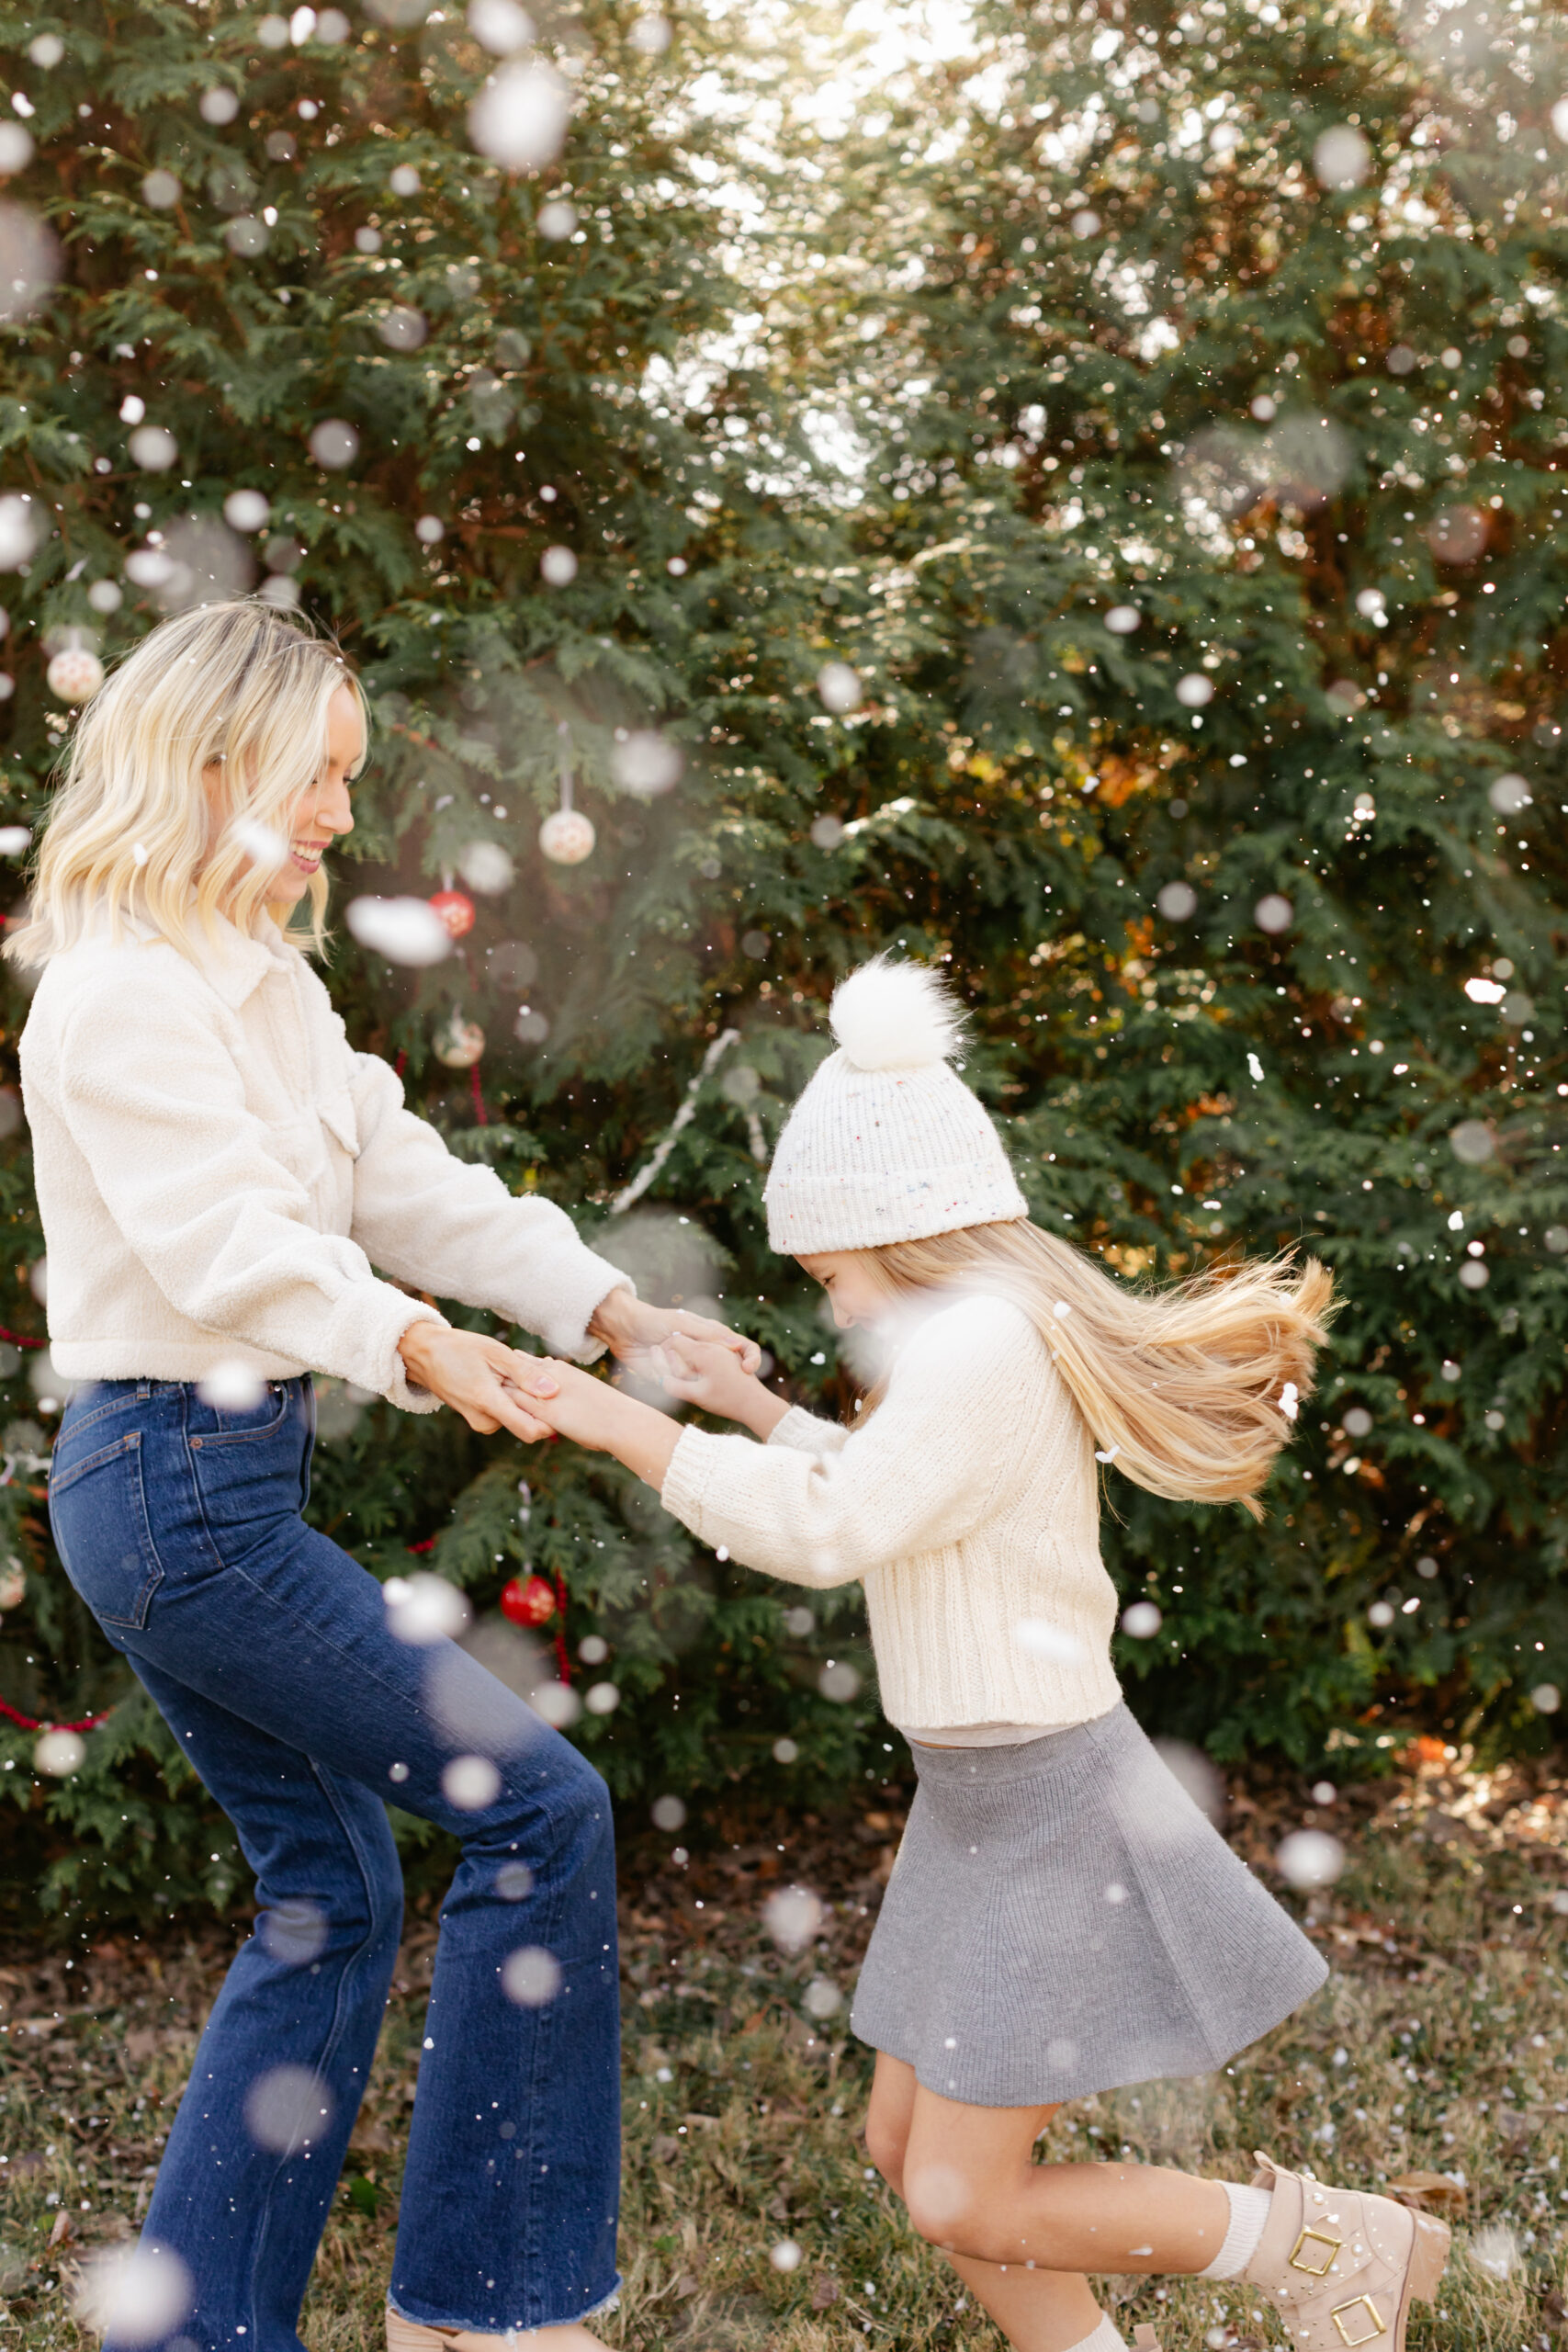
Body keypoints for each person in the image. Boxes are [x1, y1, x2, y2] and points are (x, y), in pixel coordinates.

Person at [11, 600, 756, 2352]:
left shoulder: (263, 979)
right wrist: (419, 1348)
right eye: (322, 774)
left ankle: (193, 2334)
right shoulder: (118, 993)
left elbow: (404, 1181)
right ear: (214, 765)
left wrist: (610, 1310)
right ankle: (491, 2317)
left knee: (334, 1894)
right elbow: (230, 1247)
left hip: (206, 1489)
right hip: (173, 1484)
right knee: (541, 1810)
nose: (349, 810)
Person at [521, 956, 1450, 2352]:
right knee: (913, 2158)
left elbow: (838, 1530)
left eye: (832, 1275)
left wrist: (635, 1431)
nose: (831, 1309)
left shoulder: (977, 1349)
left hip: (1048, 1805)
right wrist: (757, 1417)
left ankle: (1330, 2247)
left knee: (962, 2189)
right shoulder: (973, 1347)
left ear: (903, 1239)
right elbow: (904, 1505)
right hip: (982, 1805)